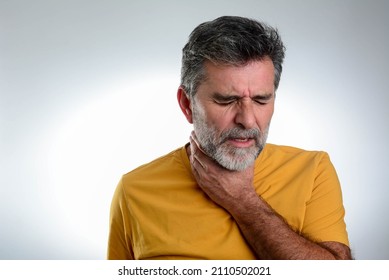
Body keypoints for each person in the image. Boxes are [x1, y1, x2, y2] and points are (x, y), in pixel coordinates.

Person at [107, 16, 352, 260]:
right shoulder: (134, 191)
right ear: (186, 104)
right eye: (226, 100)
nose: (247, 120)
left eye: (260, 100)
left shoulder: (313, 171)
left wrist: (243, 202)